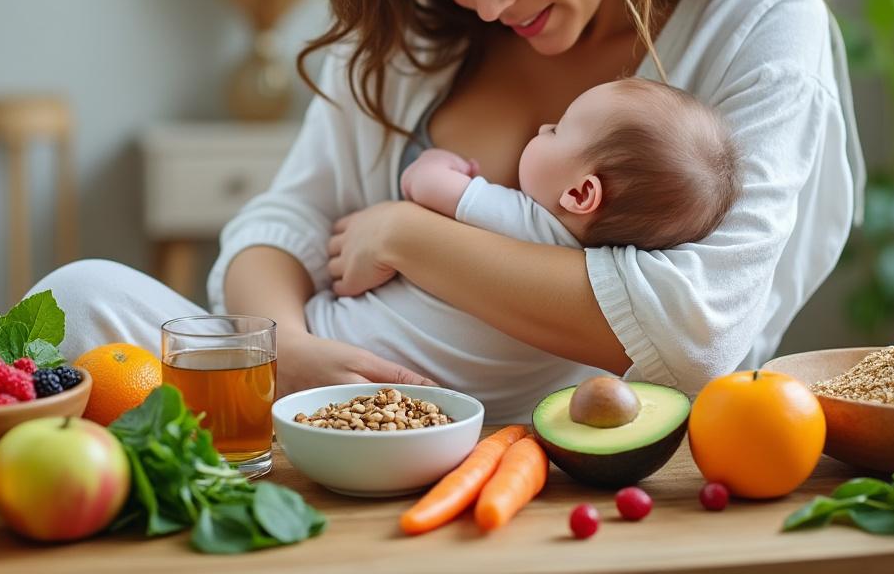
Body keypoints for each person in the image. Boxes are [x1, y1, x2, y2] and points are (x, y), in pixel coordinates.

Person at [36, 0, 864, 410]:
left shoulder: (756, 22)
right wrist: (290, 355)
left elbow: (695, 327)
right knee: (79, 297)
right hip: (333, 398)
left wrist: (408, 234)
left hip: (571, 450)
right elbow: (281, 226)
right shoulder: (422, 35)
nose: (486, 0)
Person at [303, 76, 741, 421]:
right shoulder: (596, 284)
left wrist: (442, 163)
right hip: (438, 410)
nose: (541, 127)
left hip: (335, 339)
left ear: (580, 195)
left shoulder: (519, 218)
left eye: (558, 130)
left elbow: (422, 183)